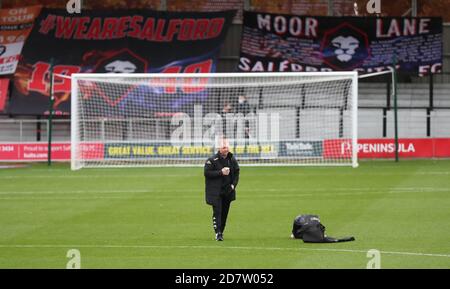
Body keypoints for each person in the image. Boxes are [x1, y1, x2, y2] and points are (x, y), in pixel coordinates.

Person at [204, 138, 240, 241]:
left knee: (224, 213)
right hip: (216, 192)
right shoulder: (211, 160)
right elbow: (207, 173)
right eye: (224, 147)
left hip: (228, 191)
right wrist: (221, 172)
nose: (226, 149)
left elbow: (237, 172)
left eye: (228, 147)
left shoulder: (232, 159)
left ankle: (221, 231)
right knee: (217, 212)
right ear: (219, 148)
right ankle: (218, 233)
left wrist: (233, 185)